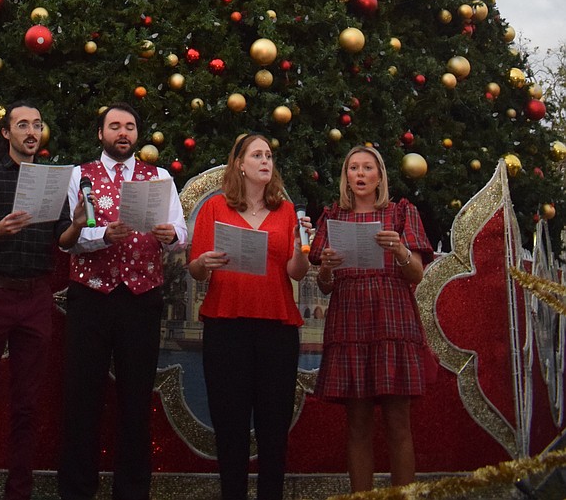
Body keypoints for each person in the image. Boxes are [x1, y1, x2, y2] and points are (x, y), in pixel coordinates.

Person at [0, 100, 84, 500]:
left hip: (36, 300)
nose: (31, 131)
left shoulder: (52, 181)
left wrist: (77, 225)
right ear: (6, 133)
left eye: (37, 125)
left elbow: (63, 242)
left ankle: (19, 493)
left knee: (27, 407)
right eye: (22, 125)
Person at [58, 102, 188, 500]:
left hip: (140, 300)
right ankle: (77, 492)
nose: (123, 133)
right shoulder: (79, 175)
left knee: (135, 402)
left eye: (129, 127)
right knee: (83, 398)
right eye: (115, 126)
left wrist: (171, 235)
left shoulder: (159, 177)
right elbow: (70, 238)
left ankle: (132, 493)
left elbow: (182, 231)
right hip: (91, 299)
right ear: (101, 134)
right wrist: (102, 236)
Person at [187, 133, 311, 500]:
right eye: (257, 155)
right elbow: (196, 269)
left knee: (274, 429)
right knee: (230, 427)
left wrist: (303, 247)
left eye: (269, 155)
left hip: (276, 329)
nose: (265, 161)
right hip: (226, 327)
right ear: (240, 164)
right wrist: (203, 263)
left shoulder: (285, 211)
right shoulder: (215, 208)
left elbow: (297, 271)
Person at [308, 144, 433, 492]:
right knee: (358, 425)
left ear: (380, 176)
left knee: (398, 423)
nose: (360, 174)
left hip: (392, 321)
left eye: (367, 168)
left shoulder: (401, 214)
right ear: (346, 178)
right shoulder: (334, 217)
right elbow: (325, 284)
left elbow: (417, 275)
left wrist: (399, 249)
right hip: (350, 322)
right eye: (353, 168)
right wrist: (328, 270)